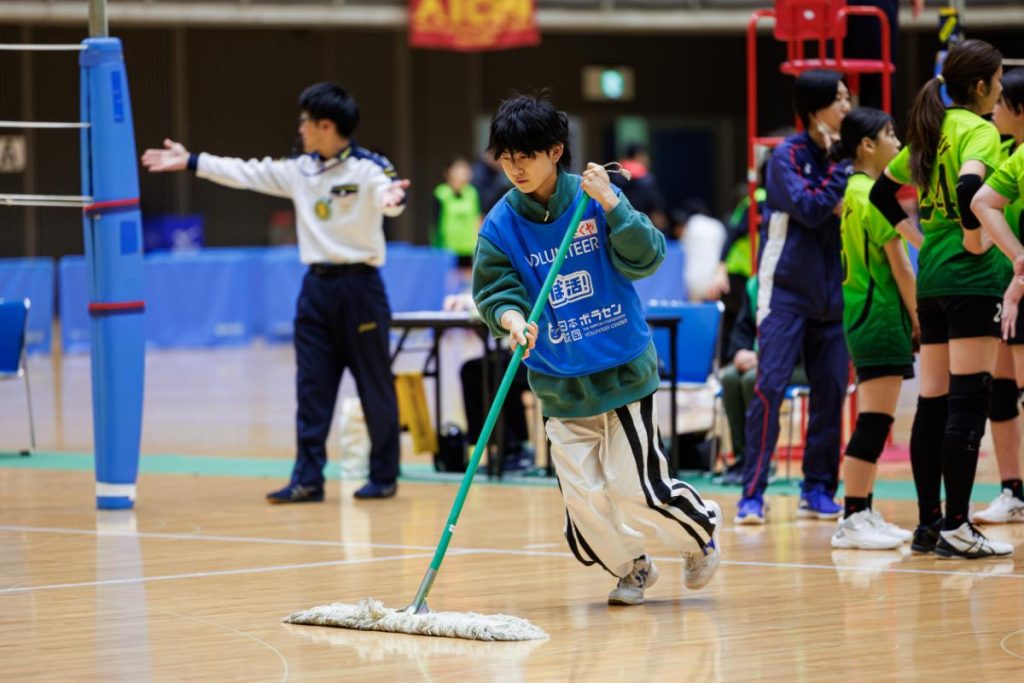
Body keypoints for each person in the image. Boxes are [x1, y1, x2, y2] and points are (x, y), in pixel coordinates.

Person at [472, 92, 721, 605]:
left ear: (556, 151)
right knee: (582, 501)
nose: (515, 168)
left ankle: (698, 533)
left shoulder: (594, 196)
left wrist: (612, 203)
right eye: (506, 157)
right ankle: (632, 567)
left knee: (638, 489)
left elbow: (647, 258)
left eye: (527, 156)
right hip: (558, 378)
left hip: (621, 369)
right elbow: (495, 292)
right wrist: (513, 320)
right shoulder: (499, 225)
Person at [141, 82, 409, 503]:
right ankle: (307, 479)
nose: (300, 129)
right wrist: (192, 161)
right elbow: (246, 171)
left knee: (374, 384)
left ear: (325, 125)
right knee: (311, 387)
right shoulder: (299, 170)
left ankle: (384, 475)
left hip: (361, 288)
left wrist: (392, 200)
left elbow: (388, 196)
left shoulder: (369, 168)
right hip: (316, 289)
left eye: (305, 121)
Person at [870, 39, 1013, 558]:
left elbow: (881, 193)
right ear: (980, 86)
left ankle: (928, 523)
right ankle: (957, 525)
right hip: (971, 280)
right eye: (997, 83)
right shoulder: (978, 130)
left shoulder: (930, 130)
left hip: (932, 279)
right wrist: (974, 241)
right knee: (967, 401)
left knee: (932, 405)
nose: (999, 94)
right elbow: (971, 189)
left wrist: (921, 240)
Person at [736, 70, 852, 524]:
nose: (846, 105)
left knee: (832, 392)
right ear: (814, 107)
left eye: (847, 97)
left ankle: (818, 488)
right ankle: (752, 494)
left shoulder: (846, 153)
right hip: (784, 293)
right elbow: (807, 208)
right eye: (838, 98)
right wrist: (840, 178)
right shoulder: (786, 156)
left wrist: (838, 182)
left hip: (834, 296)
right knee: (769, 388)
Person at [827, 108, 919, 549]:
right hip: (879, 318)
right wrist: (922, 319)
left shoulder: (853, 191)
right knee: (874, 422)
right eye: (890, 135)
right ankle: (853, 516)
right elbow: (900, 266)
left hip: (866, 318)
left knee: (875, 421)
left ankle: (861, 509)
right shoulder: (872, 195)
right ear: (866, 145)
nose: (898, 144)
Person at [971, 67, 1024, 525]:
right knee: (1001, 395)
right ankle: (1013, 491)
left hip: (1018, 289)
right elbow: (984, 208)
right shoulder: (1008, 155)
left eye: (1004, 100)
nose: (995, 106)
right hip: (1005, 289)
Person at [718, 276, 807, 486]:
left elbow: (797, 339)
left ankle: (760, 460)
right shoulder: (754, 284)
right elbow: (743, 327)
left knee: (753, 380)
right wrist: (741, 352)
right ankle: (742, 458)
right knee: (730, 377)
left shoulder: (796, 282)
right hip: (761, 361)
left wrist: (761, 358)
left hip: (798, 364)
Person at [433, 157, 482, 267]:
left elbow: (477, 218)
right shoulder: (441, 193)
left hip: (469, 248)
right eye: (458, 170)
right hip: (447, 249)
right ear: (448, 172)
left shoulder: (472, 193)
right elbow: (434, 224)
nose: (463, 174)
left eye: (465, 170)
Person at [611, 143, 669, 235]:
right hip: (642, 229)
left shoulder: (614, 176)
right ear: (638, 155)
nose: (647, 160)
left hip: (617, 228)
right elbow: (655, 209)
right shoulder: (646, 178)